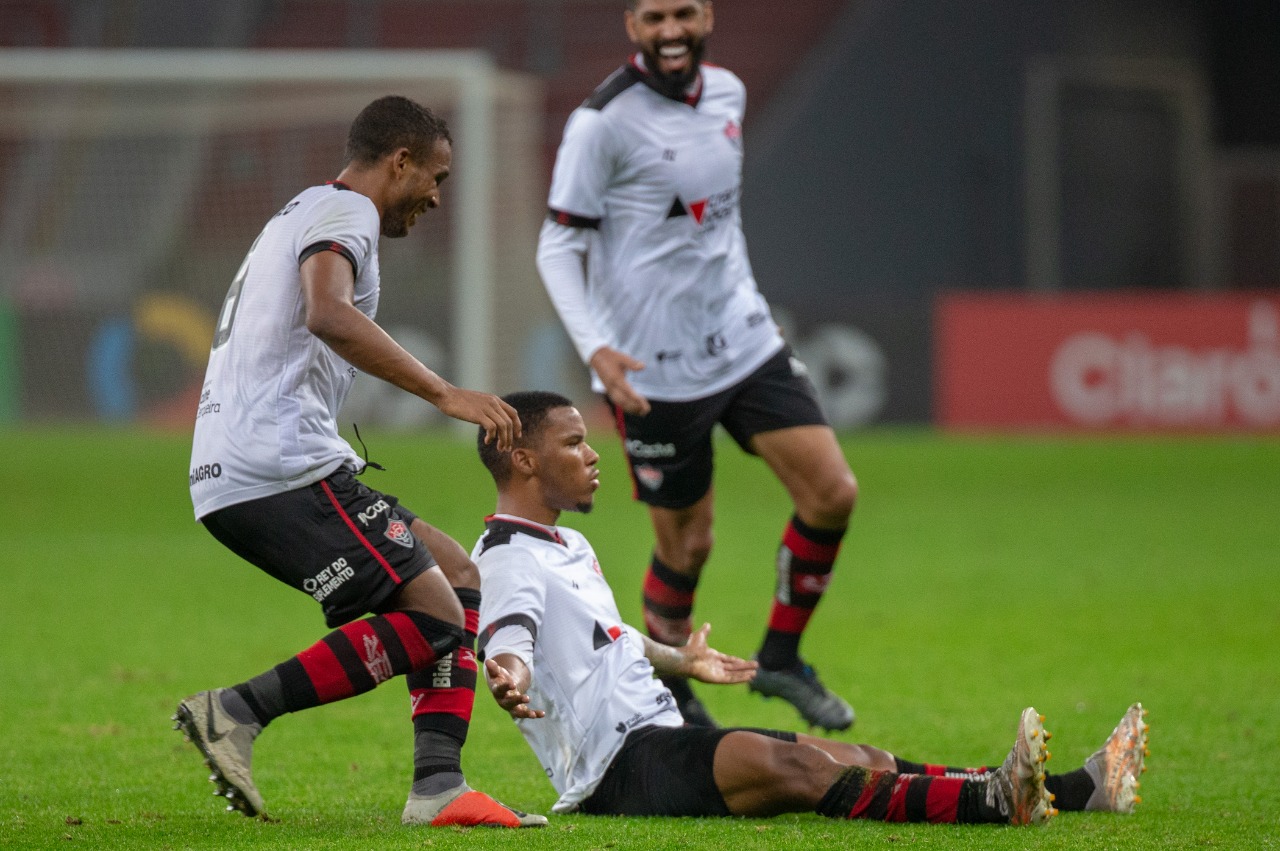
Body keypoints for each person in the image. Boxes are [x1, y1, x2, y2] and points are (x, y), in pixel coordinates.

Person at [470, 391, 1149, 823]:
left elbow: (606, 635)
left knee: (864, 755)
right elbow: (509, 637)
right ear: (524, 461)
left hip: (658, 733)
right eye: (574, 443)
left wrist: (683, 660)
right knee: (801, 771)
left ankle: (1080, 788)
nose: (593, 456)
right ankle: (996, 800)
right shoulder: (505, 557)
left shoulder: (567, 542)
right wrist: (510, 675)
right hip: (615, 769)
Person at [173, 95, 544, 828]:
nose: (436, 196)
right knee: (436, 618)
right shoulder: (347, 212)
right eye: (435, 177)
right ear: (400, 162)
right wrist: (445, 393)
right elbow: (328, 311)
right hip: (280, 467)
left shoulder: (305, 210)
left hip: (245, 467)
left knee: (458, 578)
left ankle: (439, 786)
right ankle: (237, 710)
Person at [535, 0, 858, 731]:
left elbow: (715, 219)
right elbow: (557, 245)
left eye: (684, 13)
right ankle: (671, 690)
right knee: (688, 542)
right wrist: (594, 347)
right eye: (655, 18)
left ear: (707, 14)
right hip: (653, 367)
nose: (672, 31)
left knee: (832, 492)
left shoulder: (729, 93)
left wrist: (744, 296)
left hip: (744, 341)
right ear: (632, 25)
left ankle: (780, 658)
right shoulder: (602, 123)